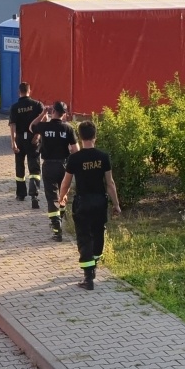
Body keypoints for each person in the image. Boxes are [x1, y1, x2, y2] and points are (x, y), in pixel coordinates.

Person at [57, 120, 122, 290]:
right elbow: (110, 183)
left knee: (84, 238)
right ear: (95, 136)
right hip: (100, 202)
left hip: (83, 203)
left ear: (79, 136)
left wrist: (61, 198)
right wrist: (116, 205)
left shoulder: (74, 158)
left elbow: (66, 182)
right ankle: (93, 267)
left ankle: (88, 278)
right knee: (98, 234)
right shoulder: (103, 157)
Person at [31, 100, 78, 239]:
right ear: (64, 114)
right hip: (64, 166)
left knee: (52, 196)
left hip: (49, 166)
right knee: (63, 193)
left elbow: (31, 126)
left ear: (53, 112)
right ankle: (60, 218)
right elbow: (76, 150)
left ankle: (57, 229)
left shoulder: (44, 126)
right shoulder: (68, 129)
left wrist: (43, 113)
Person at [7, 82, 45, 207]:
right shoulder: (37, 105)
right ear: (30, 90)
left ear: (19, 92)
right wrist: (38, 134)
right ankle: (34, 194)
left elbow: (13, 126)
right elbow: (44, 120)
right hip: (33, 139)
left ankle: (21, 194)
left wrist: (13, 142)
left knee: (19, 165)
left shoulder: (14, 107)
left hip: (20, 139)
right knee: (34, 166)